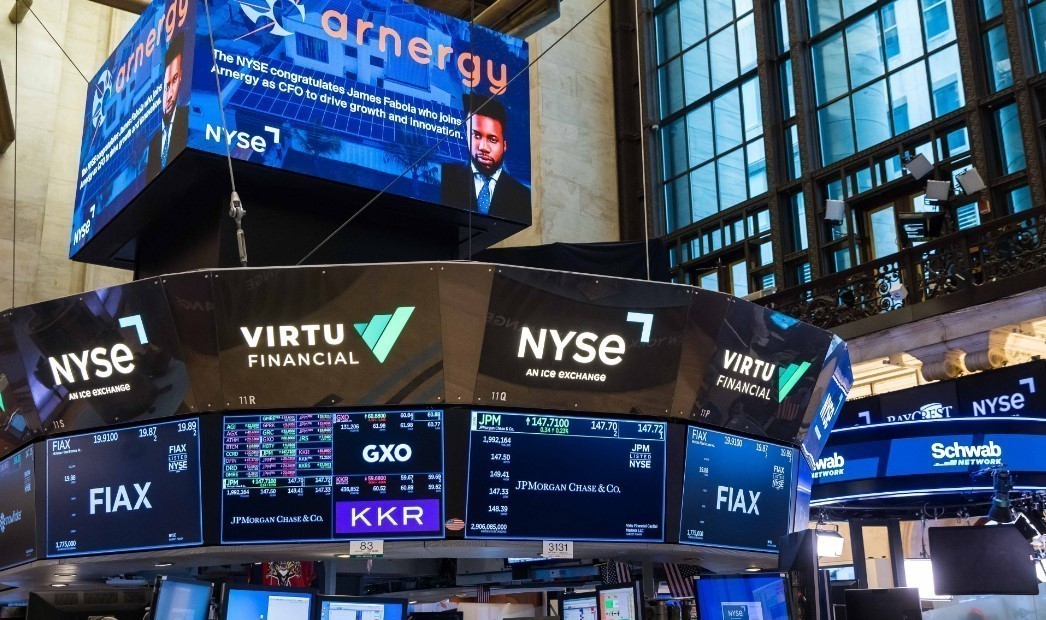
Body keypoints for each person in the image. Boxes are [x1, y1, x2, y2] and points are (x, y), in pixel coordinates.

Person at [441, 93, 531, 222]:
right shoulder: (445, 176)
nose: (483, 147)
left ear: (504, 145)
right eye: (476, 135)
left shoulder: (523, 196)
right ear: (467, 136)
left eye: (492, 139)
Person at [147, 34, 189, 179]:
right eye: (166, 87)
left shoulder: (187, 119)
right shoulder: (154, 142)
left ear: (181, 76)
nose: (170, 94)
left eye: (175, 80)